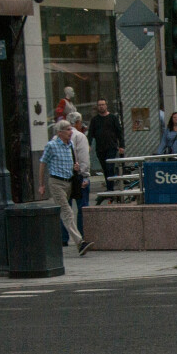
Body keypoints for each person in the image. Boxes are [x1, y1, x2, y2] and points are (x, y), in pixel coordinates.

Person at [38, 121, 91, 256]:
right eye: (68, 130)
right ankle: (80, 243)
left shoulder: (70, 145)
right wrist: (41, 184)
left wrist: (77, 169)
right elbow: (42, 164)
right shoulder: (52, 146)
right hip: (56, 183)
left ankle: (49, 238)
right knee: (67, 212)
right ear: (60, 132)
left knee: (61, 212)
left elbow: (73, 163)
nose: (71, 132)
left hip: (69, 183)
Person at [88, 98, 125, 190]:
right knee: (105, 169)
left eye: (103, 104)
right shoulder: (95, 120)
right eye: (99, 105)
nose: (101, 106)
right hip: (100, 148)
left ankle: (110, 188)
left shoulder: (113, 118)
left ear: (106, 105)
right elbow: (90, 134)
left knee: (109, 167)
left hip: (111, 147)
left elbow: (119, 132)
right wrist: (88, 145)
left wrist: (121, 146)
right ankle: (109, 186)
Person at [66, 118, 91, 243]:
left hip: (63, 178)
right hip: (77, 176)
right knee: (82, 207)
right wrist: (85, 175)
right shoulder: (80, 136)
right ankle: (83, 235)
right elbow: (83, 157)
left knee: (65, 208)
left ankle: (64, 237)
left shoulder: (55, 139)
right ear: (77, 123)